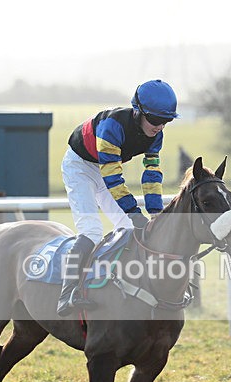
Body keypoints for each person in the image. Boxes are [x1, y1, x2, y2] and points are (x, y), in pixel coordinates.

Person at [56, 79, 179, 316]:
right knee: (91, 230)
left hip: (106, 169)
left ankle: (122, 282)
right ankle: (67, 292)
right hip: (80, 166)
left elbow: (152, 175)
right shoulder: (112, 126)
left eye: (167, 121)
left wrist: (155, 214)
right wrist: (135, 212)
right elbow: (112, 177)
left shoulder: (156, 136)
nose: (160, 126)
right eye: (155, 120)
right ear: (139, 111)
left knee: (128, 228)